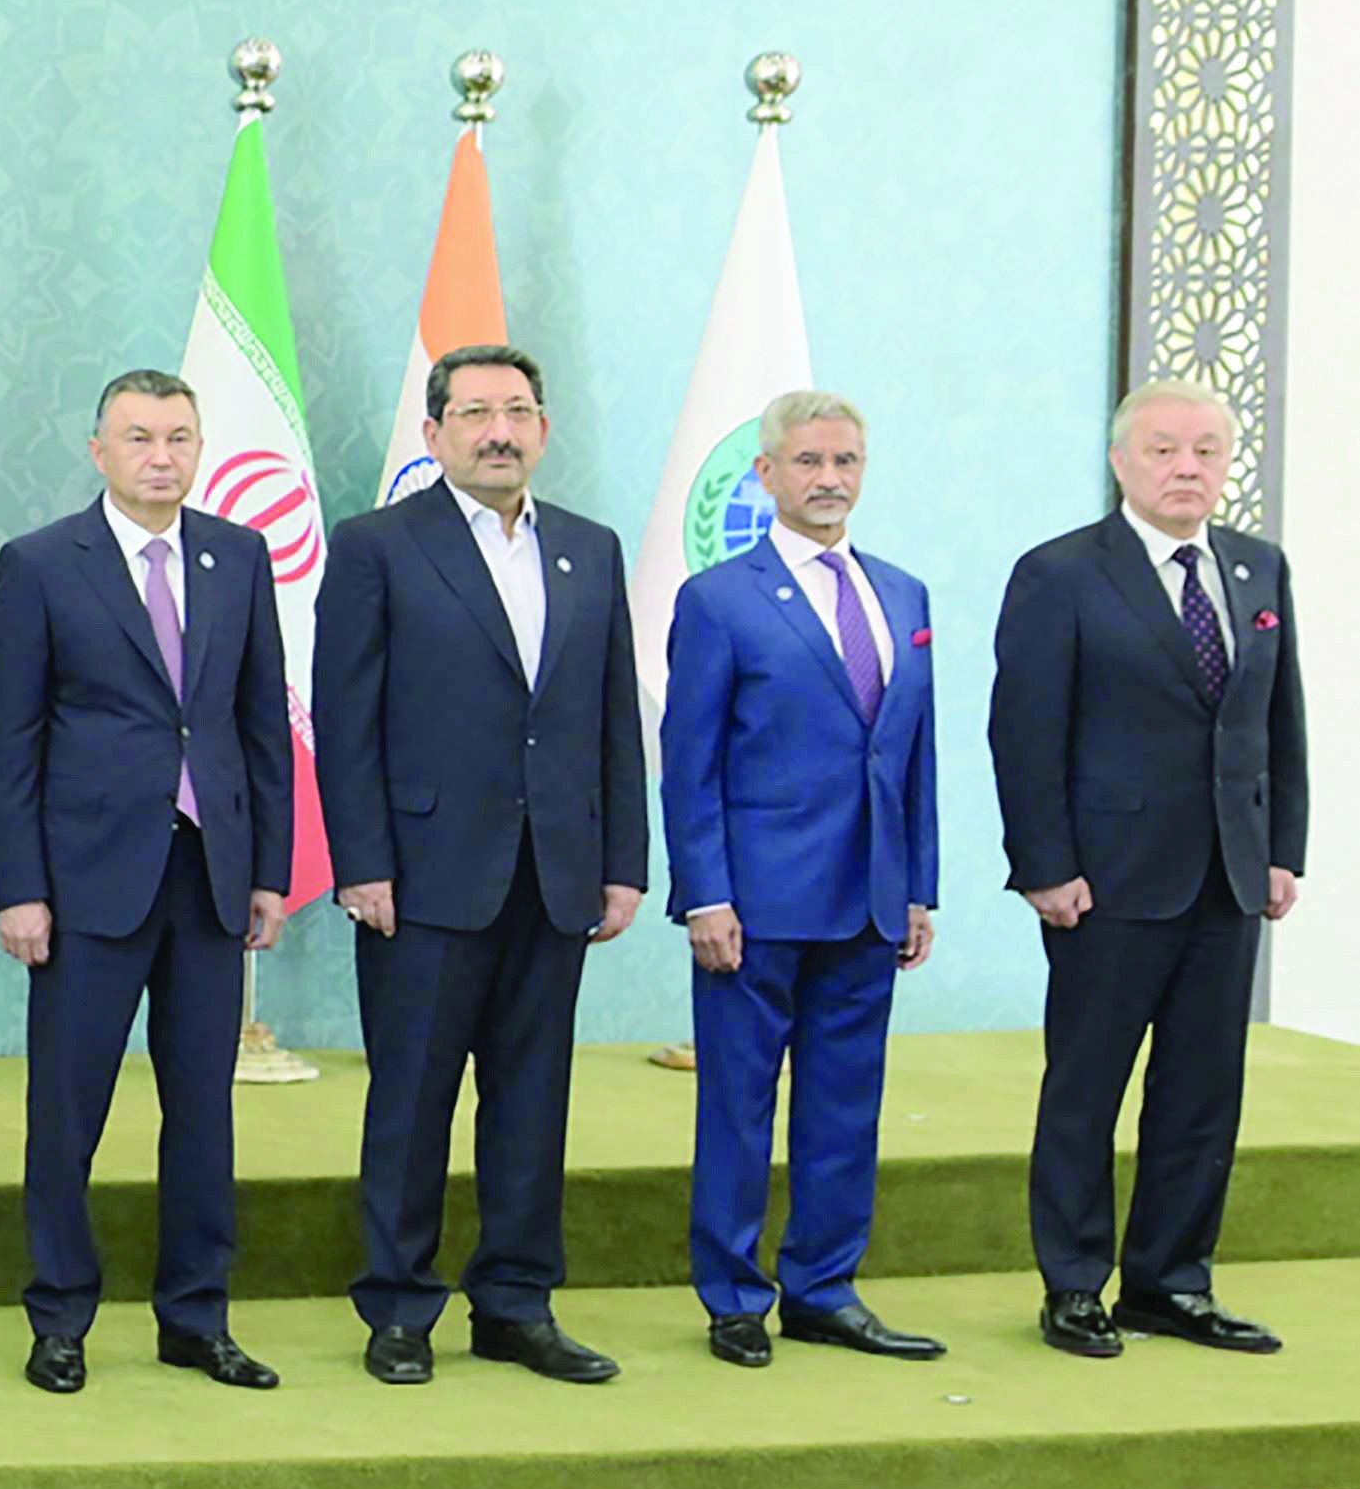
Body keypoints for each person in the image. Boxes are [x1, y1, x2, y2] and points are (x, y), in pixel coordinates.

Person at [313, 340, 645, 1387]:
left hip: (553, 873)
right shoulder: (375, 545)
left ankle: (513, 1303)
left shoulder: (587, 549)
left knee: (530, 1101)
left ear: (541, 429)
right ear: (433, 432)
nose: (496, 430)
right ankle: (399, 1307)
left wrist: (622, 860)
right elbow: (342, 718)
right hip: (418, 876)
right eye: (473, 413)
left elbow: (608, 718)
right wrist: (359, 861)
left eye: (515, 411)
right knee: (410, 1101)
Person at [0, 368, 288, 1395]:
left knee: (203, 1109)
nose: (160, 454)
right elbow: (6, 740)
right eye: (139, 436)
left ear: (198, 449)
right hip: (82, 885)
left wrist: (267, 870)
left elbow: (256, 725)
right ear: (97, 449)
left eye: (178, 437)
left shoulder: (237, 557)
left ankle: (195, 1316)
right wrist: (16, 886)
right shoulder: (38, 565)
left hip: (208, 876)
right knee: (67, 1111)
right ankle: (58, 1316)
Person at [991, 377, 1306, 1357]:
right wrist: (1041, 864)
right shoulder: (1060, 573)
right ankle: (1074, 1283)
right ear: (1120, 460)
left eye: (1204, 451)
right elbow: (1023, 733)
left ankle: (1169, 1280)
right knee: (1086, 1086)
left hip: (1226, 876)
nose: (1184, 467)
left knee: (1202, 1088)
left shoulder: (1256, 569)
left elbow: (1278, 723)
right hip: (1104, 880)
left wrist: (1280, 849)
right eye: (1163, 449)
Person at [657, 389, 942, 1366]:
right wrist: (702, 892)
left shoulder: (901, 594)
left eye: (845, 462)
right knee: (736, 1105)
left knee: (843, 1106)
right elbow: (685, 758)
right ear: (764, 473)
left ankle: (822, 1286)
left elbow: (913, 756)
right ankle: (733, 1296)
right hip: (754, 903)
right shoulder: (718, 598)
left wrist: (917, 886)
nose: (828, 479)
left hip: (865, 901)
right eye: (809, 461)